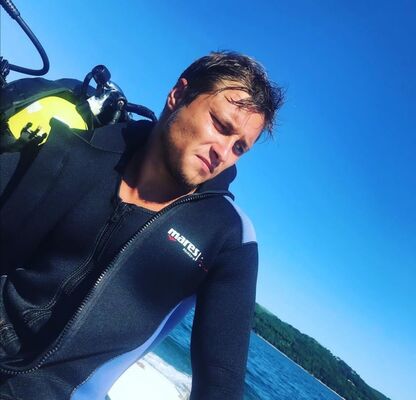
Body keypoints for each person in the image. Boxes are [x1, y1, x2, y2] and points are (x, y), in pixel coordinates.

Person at [0, 51, 284, 399]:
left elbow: (220, 384)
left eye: (239, 147)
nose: (223, 154)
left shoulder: (227, 237)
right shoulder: (85, 146)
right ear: (178, 94)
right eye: (221, 125)